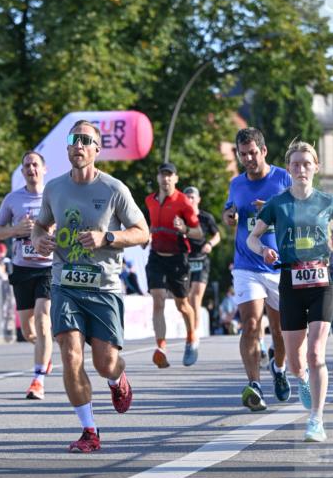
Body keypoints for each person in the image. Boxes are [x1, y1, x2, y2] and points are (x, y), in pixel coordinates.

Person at [32, 119, 149, 452]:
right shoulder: (54, 188)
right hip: (64, 284)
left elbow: (142, 232)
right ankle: (89, 431)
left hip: (104, 287)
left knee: (105, 363)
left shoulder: (114, 189)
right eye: (74, 139)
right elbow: (40, 226)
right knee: (71, 356)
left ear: (97, 148)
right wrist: (39, 240)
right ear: (68, 147)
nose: (79, 145)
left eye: (86, 140)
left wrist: (107, 237)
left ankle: (117, 378)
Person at [247, 139, 333, 442]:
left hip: (322, 281)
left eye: (306, 164)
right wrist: (263, 250)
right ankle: (302, 377)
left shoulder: (327, 201)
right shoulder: (277, 203)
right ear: (288, 168)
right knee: (297, 361)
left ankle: (316, 420)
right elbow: (252, 238)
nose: (301, 169)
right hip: (290, 281)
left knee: (315, 352)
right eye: (296, 164)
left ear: (315, 168)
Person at [222, 127, 291, 412]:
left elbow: (300, 213)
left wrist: (274, 209)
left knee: (280, 330)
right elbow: (229, 211)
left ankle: (279, 368)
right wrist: (229, 216)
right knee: (250, 324)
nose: (248, 159)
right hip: (246, 264)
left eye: (253, 153)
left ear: (263, 151)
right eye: (243, 154)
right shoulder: (236, 183)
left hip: (278, 266)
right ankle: (255, 384)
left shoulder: (283, 178)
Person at [0, 151, 53, 400]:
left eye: (35, 164)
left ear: (44, 169)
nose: (31, 169)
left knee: (43, 318)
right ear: (22, 171)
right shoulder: (13, 199)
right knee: (29, 331)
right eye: (27, 165)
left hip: (48, 267)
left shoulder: (54, 196)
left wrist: (53, 232)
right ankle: (44, 352)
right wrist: (16, 229)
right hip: (23, 268)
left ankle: (38, 380)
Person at [144, 163, 203, 368]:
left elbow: (198, 233)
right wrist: (146, 236)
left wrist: (184, 228)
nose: (166, 179)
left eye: (170, 175)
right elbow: (152, 224)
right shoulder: (150, 200)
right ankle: (161, 347)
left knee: (182, 305)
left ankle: (191, 337)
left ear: (176, 178)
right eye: (163, 175)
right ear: (158, 178)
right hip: (156, 257)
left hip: (178, 258)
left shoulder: (183, 202)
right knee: (158, 300)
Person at [182, 185, 221, 339]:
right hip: (184, 260)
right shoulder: (179, 218)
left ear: (198, 199)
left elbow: (217, 236)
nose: (190, 200)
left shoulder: (206, 217)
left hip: (201, 260)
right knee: (185, 298)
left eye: (192, 197)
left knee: (195, 297)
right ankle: (189, 328)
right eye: (187, 197)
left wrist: (210, 244)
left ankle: (194, 333)